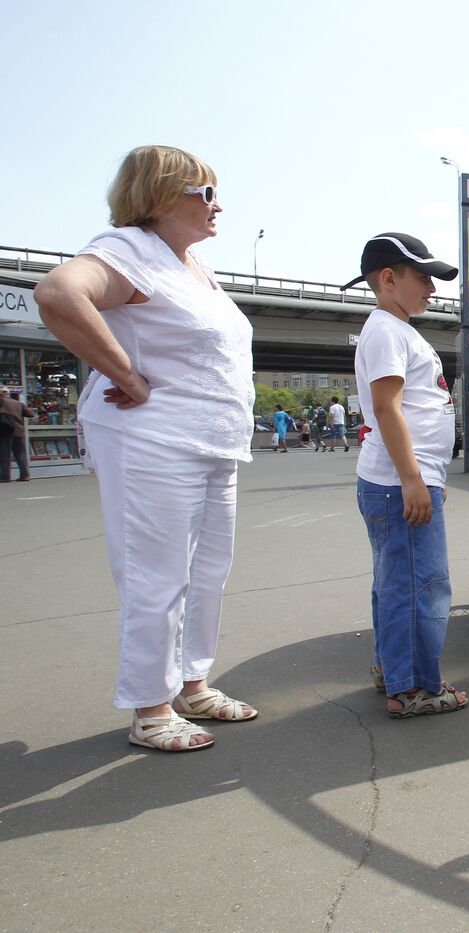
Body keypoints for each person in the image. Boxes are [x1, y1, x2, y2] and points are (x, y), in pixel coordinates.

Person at [33, 145, 257, 752]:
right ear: (158, 197)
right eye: (203, 193)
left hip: (213, 443)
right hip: (155, 438)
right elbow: (58, 294)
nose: (217, 205)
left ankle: (191, 684)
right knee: (155, 578)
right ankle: (151, 709)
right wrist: (126, 376)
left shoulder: (190, 264)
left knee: (207, 573)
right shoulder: (126, 250)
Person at [347, 232, 467, 717]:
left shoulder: (395, 328)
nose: (432, 290)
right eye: (424, 278)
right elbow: (386, 407)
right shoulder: (386, 331)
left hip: (401, 480)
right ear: (389, 279)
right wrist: (413, 479)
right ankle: (414, 686)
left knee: (398, 582)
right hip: (400, 483)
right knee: (421, 585)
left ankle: (392, 670)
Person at [0, 392, 36, 482]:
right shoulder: (18, 403)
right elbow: (30, 414)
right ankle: (25, 475)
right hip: (19, 431)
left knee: (5, 455)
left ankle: (5, 477)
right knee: (20, 454)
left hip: (5, 431)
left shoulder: (1, 401)